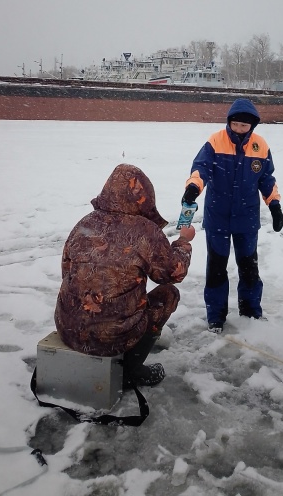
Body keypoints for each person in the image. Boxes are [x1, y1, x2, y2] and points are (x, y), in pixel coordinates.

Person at [55, 164, 195, 387]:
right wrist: (183, 243)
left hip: (68, 328)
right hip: (113, 338)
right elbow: (172, 273)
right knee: (169, 295)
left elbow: (66, 271)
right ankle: (133, 369)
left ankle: (101, 334)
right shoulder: (145, 231)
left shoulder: (84, 223)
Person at [182, 97, 283, 333]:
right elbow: (201, 168)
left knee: (248, 266)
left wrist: (275, 205)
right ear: (229, 122)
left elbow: (267, 180)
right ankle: (216, 315)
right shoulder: (215, 141)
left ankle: (250, 310)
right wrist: (193, 187)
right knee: (217, 266)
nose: (239, 129)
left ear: (252, 126)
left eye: (244, 126)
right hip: (217, 215)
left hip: (246, 218)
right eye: (235, 124)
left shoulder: (261, 146)